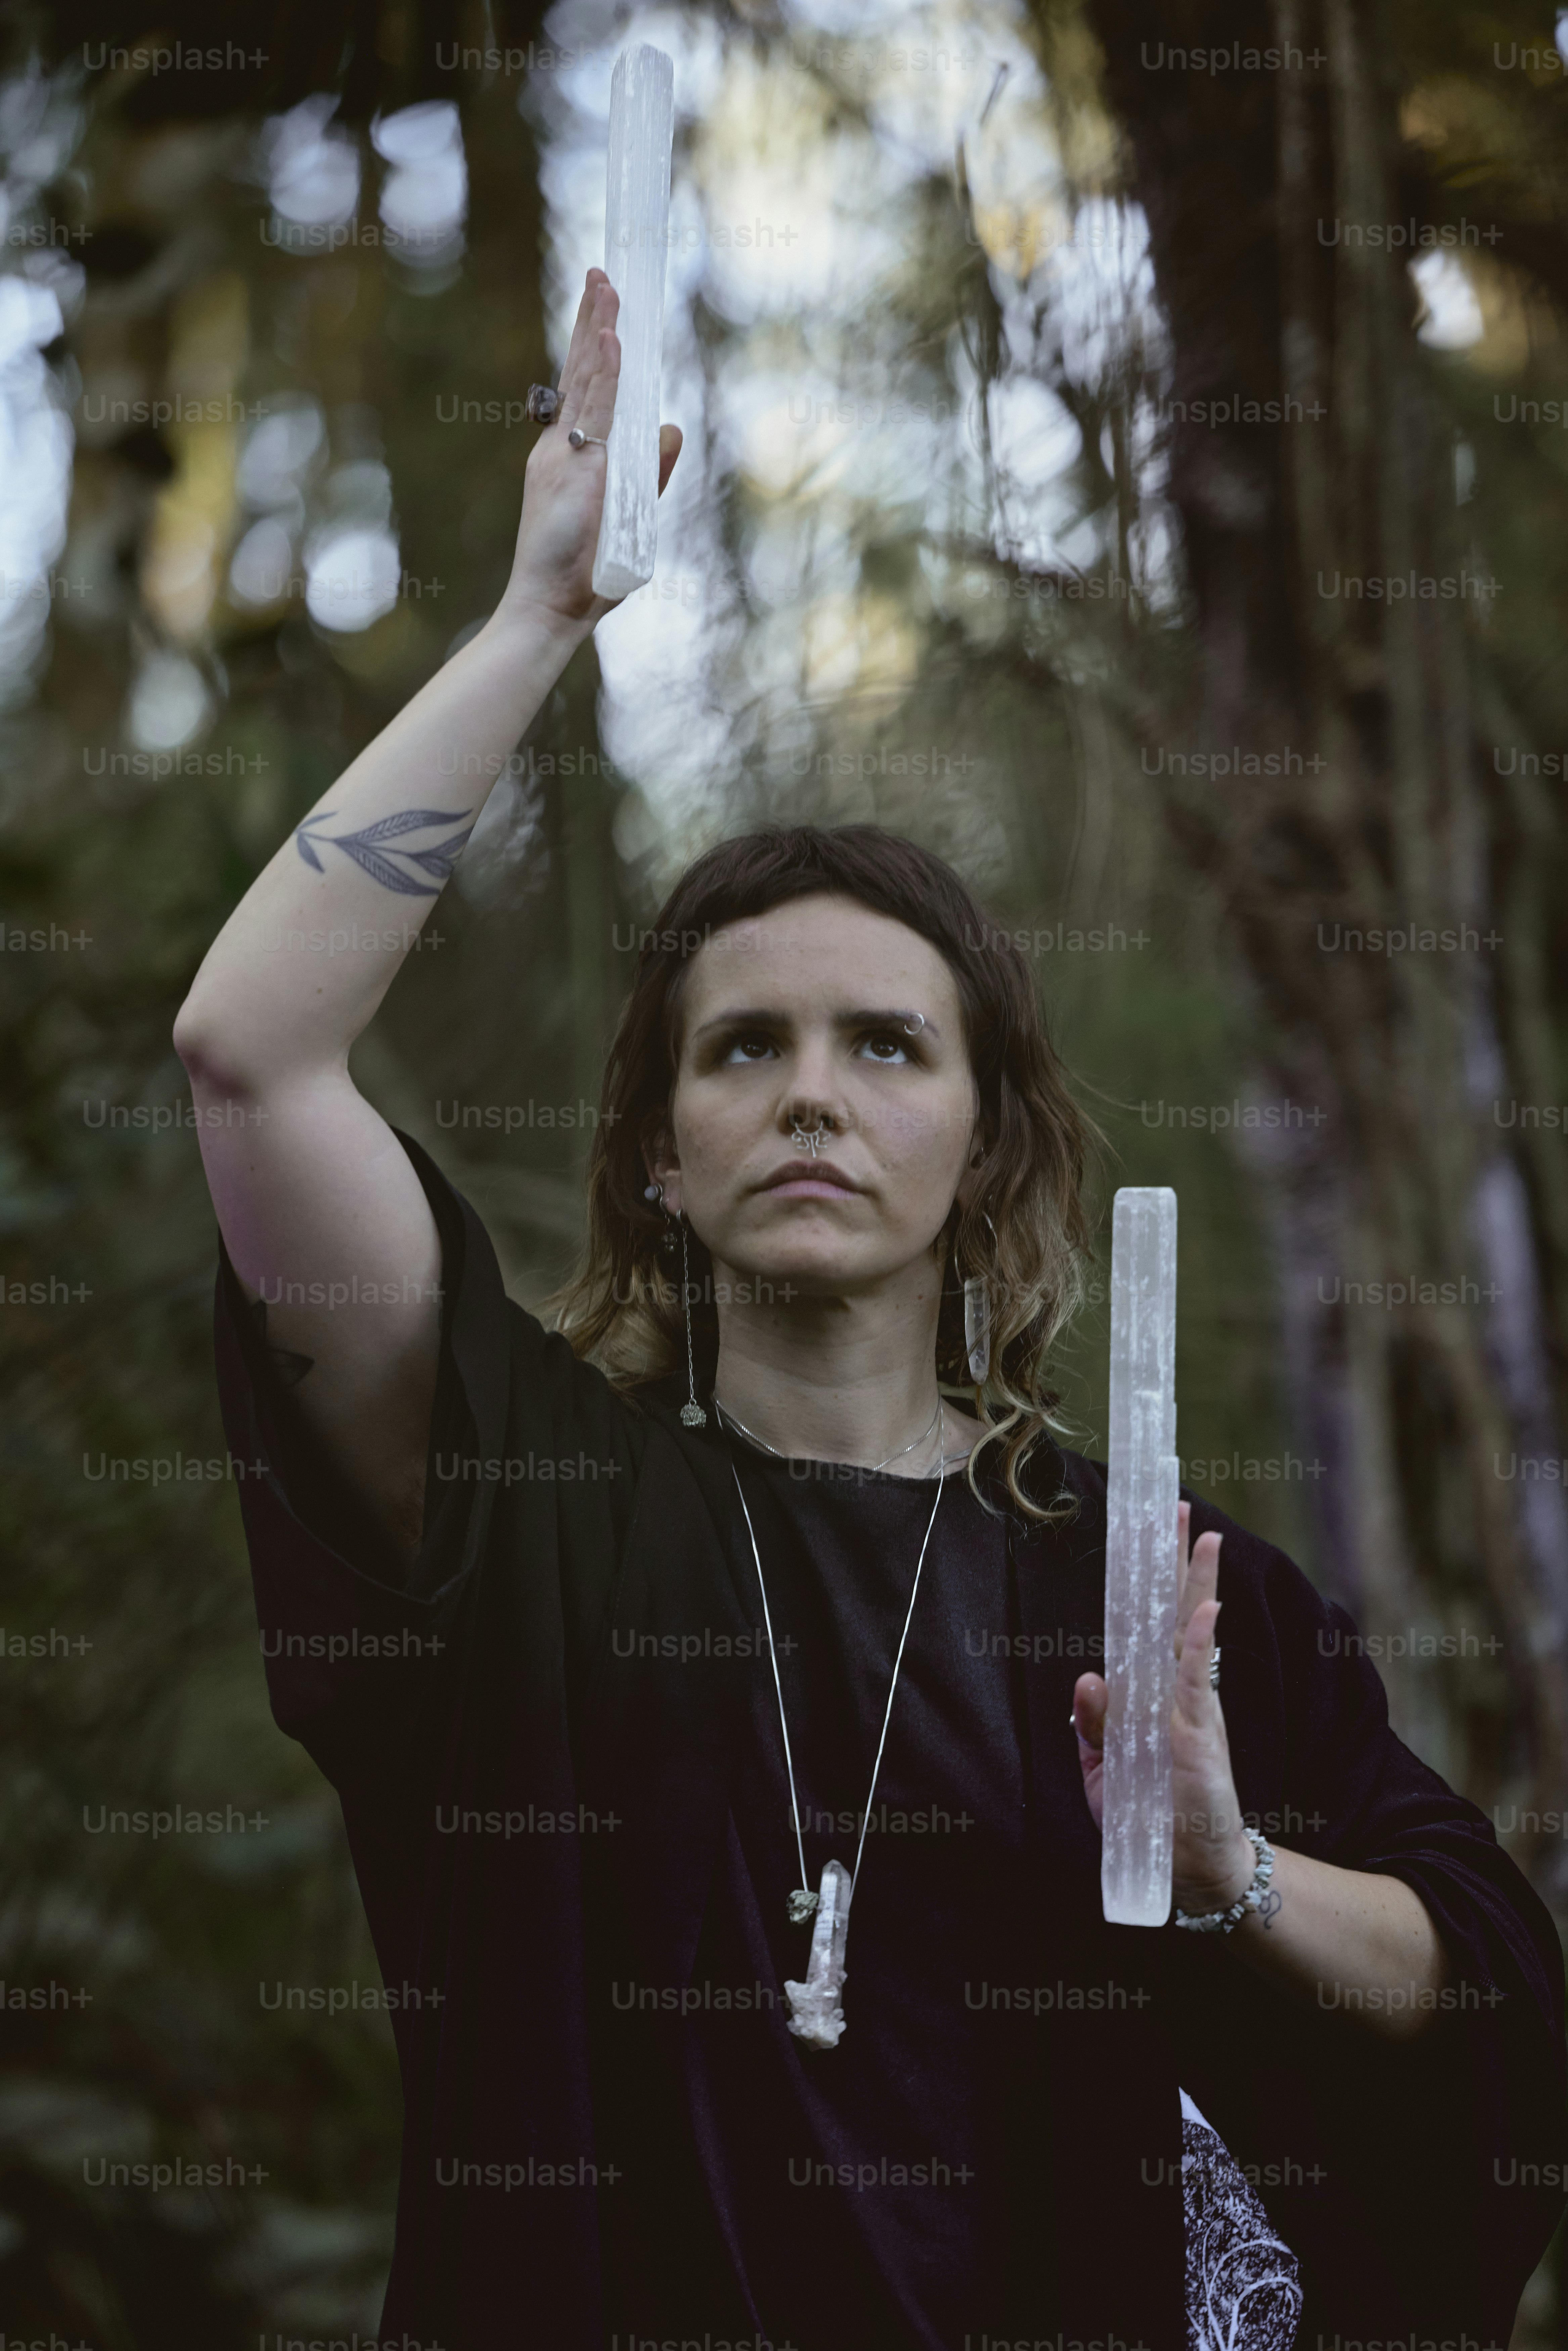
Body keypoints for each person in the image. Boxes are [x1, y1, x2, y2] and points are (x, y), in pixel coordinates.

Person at [175, 268, 1567, 2351]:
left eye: (888, 1046)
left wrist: (1235, 1868)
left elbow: (1491, 1996)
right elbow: (249, 1054)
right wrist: (538, 618)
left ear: (990, 1152)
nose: (813, 1085)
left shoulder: (1164, 1594)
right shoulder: (532, 1515)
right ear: (657, 1146)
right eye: (743, 1048)